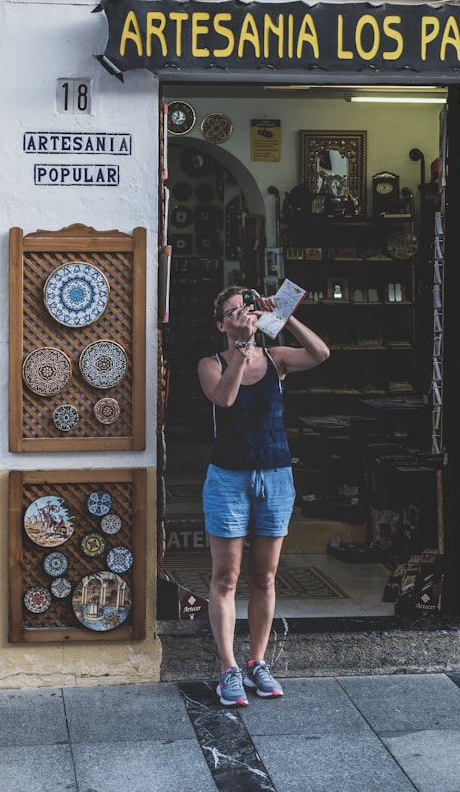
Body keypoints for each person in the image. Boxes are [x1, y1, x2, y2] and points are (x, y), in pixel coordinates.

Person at [197, 286, 330, 707]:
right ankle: (228, 668)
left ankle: (257, 661)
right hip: (228, 480)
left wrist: (283, 314)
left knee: (265, 577)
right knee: (226, 578)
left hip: (275, 476)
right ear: (221, 323)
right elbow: (226, 397)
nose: (243, 314)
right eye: (233, 312)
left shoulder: (276, 359)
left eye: (247, 308)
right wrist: (241, 347)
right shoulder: (211, 363)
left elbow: (320, 353)